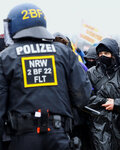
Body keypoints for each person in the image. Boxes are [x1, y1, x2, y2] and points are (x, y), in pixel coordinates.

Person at [0, 3, 92, 150]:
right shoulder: (64, 53)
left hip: (21, 139)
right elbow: (83, 97)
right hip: (59, 136)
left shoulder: (6, 57)